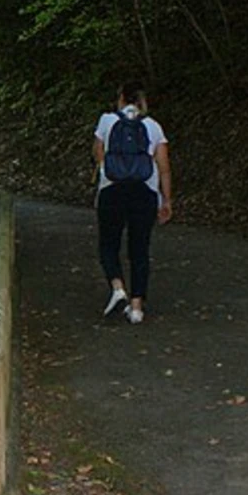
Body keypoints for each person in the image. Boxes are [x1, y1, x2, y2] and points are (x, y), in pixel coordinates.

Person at [92, 83, 172, 323]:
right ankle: (137, 308)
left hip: (111, 191)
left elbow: (98, 153)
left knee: (108, 244)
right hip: (145, 193)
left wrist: (110, 167)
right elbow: (164, 167)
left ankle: (118, 288)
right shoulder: (153, 126)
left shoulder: (107, 121)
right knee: (140, 249)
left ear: (121, 99)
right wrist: (166, 199)